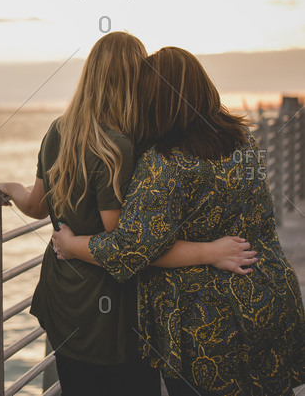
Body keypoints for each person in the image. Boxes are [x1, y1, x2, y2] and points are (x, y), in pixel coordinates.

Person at [0, 33, 255, 396]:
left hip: (64, 294)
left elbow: (36, 206)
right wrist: (210, 250)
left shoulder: (59, 129)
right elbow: (125, 242)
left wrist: (9, 187)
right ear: (136, 80)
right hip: (113, 306)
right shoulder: (121, 145)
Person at [52, 46, 305, 395]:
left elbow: (131, 248)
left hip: (208, 325)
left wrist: (72, 245)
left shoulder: (166, 163)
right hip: (269, 295)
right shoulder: (243, 140)